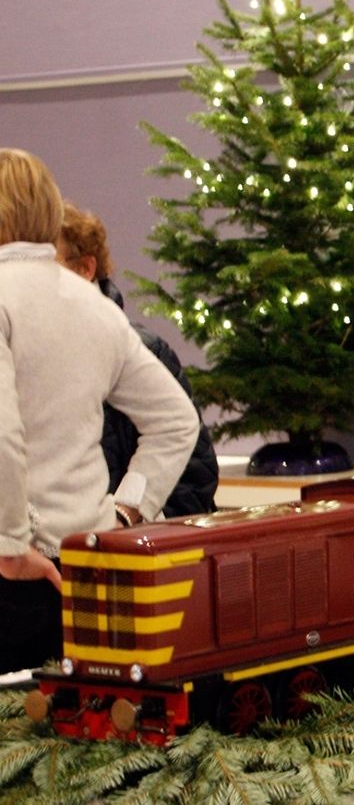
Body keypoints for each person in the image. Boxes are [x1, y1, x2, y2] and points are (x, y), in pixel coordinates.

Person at [0, 148, 199, 673]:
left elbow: (2, 435)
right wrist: (128, 510)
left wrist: (11, 545)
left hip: (13, 571)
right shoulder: (95, 305)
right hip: (87, 565)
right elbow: (177, 422)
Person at [57, 203, 219, 518]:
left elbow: (193, 475)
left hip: (120, 543)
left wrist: (125, 519)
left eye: (49, 265)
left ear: (85, 268)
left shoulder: (142, 349)